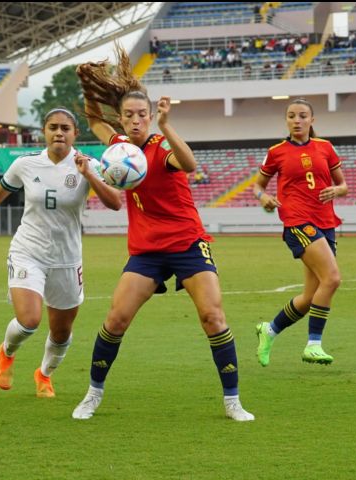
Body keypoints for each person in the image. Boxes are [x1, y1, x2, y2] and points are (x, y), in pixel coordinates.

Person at [72, 46, 254, 421]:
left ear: (151, 116)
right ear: (121, 119)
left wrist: (168, 127)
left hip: (188, 242)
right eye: (129, 115)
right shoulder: (119, 149)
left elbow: (188, 163)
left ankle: (233, 400)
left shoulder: (160, 148)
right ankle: (92, 394)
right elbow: (92, 119)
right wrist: (87, 82)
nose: (136, 121)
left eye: (143, 115)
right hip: (147, 250)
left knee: (213, 317)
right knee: (116, 319)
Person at [0, 108, 122, 398]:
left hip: (67, 258)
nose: (59, 133)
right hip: (28, 251)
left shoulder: (89, 165)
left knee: (61, 332)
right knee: (29, 319)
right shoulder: (26, 164)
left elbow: (115, 202)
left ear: (75, 134)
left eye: (65, 128)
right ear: (44, 132)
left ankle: (44, 374)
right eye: (53, 127)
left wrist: (89, 176)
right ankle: (7, 352)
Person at [253, 98, 348, 367]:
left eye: (302, 116)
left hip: (326, 222)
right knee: (332, 278)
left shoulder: (325, 148)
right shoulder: (277, 152)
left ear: (311, 120)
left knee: (309, 297)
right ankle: (313, 344)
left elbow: (343, 185)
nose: (297, 120)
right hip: (297, 222)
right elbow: (258, 186)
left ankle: (268, 330)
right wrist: (263, 198)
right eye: (292, 116)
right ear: (286, 120)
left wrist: (336, 190)